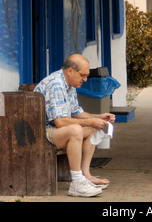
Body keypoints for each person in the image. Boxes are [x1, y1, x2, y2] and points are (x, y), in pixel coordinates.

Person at [34, 54, 115, 198]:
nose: (85, 79)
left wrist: (98, 117)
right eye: (82, 75)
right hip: (39, 133)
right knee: (76, 130)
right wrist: (90, 121)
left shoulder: (69, 84)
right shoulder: (56, 84)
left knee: (90, 129)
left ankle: (85, 176)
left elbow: (77, 113)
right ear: (70, 71)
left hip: (54, 130)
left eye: (86, 76)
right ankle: (76, 184)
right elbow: (60, 122)